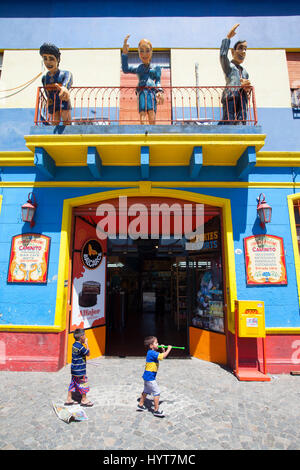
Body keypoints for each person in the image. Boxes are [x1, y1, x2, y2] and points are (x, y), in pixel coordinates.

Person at [121, 35, 164, 124]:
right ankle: (144, 131)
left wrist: (160, 91)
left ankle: (152, 132)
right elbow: (125, 69)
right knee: (142, 112)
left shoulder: (156, 68)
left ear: (151, 51)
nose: (144, 54)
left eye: (147, 51)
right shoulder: (138, 68)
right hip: (141, 92)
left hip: (151, 92)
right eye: (141, 51)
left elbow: (158, 81)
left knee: (151, 111)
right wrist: (125, 54)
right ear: (139, 53)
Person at [219, 24, 251, 124]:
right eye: (240, 48)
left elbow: (246, 87)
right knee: (229, 121)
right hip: (230, 96)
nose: (243, 51)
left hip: (242, 99)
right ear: (233, 52)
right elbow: (223, 55)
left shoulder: (245, 72)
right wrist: (228, 38)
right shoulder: (229, 67)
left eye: (245, 49)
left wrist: (247, 88)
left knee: (242, 121)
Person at [137, 336, 172, 417]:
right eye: (156, 343)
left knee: (146, 391)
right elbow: (163, 356)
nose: (158, 344)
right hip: (150, 377)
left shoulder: (151, 352)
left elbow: (161, 356)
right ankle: (156, 410)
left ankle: (140, 404)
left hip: (147, 376)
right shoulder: (152, 353)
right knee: (157, 393)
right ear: (151, 346)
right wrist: (169, 349)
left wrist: (163, 349)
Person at [39, 43, 73, 125]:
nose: (48, 62)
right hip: (52, 102)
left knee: (66, 119)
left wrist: (64, 88)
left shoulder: (65, 73)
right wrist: (47, 102)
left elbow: (68, 82)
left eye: (51, 59)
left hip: (63, 100)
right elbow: (46, 92)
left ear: (57, 60)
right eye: (45, 59)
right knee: (54, 121)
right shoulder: (44, 78)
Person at [65, 328, 93, 407]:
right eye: (84, 335)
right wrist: (86, 344)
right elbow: (88, 353)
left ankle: (69, 398)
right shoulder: (81, 347)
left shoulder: (74, 345)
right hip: (80, 370)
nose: (85, 337)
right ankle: (84, 399)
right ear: (81, 337)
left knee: (73, 383)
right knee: (83, 383)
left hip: (74, 369)